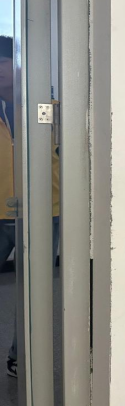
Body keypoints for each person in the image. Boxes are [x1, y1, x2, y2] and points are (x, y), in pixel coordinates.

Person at [0, 36, 60, 378]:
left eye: (2, 61)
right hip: (0, 212)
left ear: (18, 64)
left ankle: (20, 357)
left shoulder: (50, 109)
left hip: (42, 214)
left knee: (33, 293)